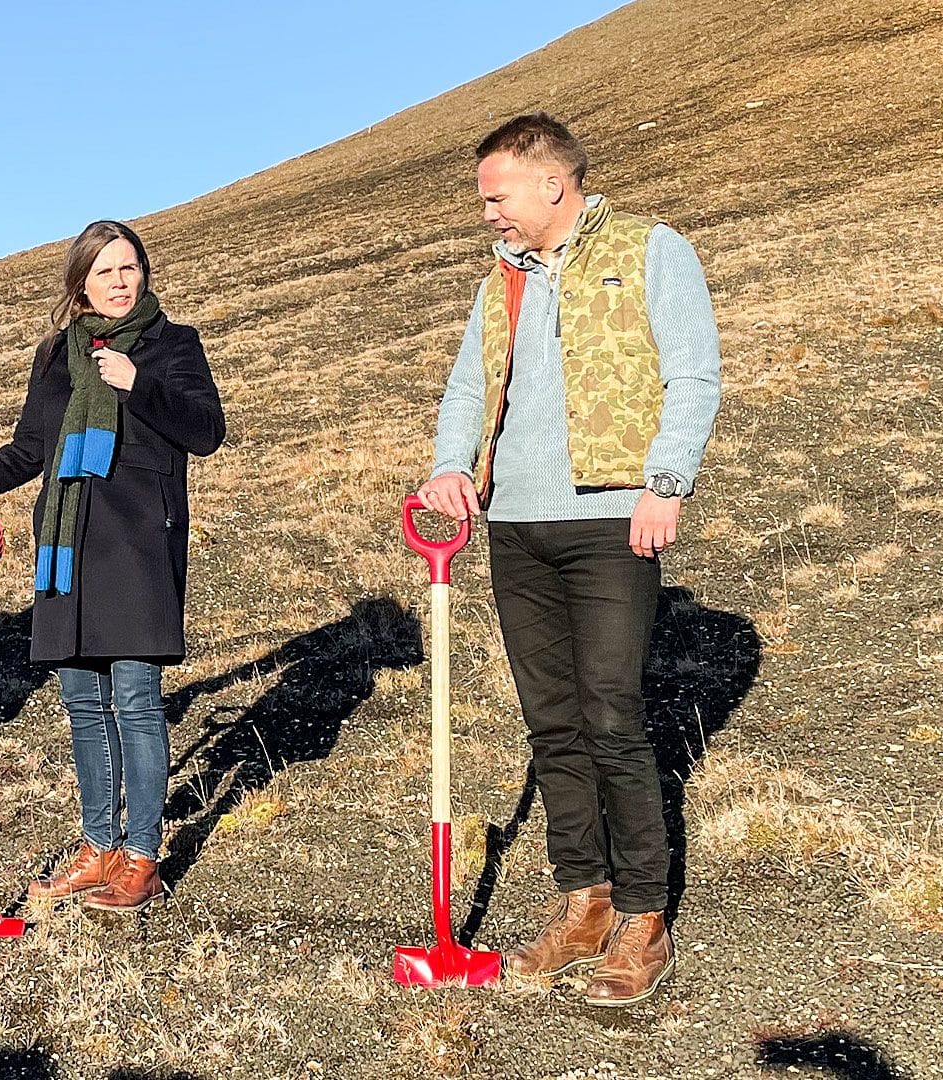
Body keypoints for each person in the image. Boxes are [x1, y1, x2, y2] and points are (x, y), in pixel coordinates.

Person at [419, 114, 721, 1005]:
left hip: (612, 521)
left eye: (495, 195)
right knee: (552, 723)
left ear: (551, 183)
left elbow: (693, 373)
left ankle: (643, 915)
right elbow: (469, 386)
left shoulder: (653, 249)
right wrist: (449, 466)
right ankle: (581, 899)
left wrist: (665, 483)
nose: (487, 213)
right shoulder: (498, 284)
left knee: (612, 716)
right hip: (515, 526)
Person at [0, 220, 225, 912]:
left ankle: (142, 857)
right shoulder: (56, 354)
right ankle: (99, 846)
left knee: (139, 704)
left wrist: (140, 384)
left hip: (141, 545)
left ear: (145, 273)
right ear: (80, 281)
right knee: (84, 707)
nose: (120, 281)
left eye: (130, 267)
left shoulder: (174, 345)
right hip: (69, 544)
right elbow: (29, 451)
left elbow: (206, 433)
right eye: (105, 270)